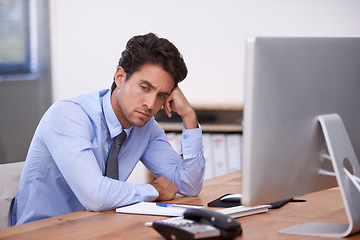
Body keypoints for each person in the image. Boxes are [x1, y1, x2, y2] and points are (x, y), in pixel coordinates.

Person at [12, 33, 205, 225]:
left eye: (161, 95)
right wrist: (155, 191)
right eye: (145, 88)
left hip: (94, 228)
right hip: (41, 231)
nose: (150, 103)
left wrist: (189, 116)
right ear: (120, 77)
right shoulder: (68, 115)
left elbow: (188, 186)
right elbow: (94, 195)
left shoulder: (146, 128)